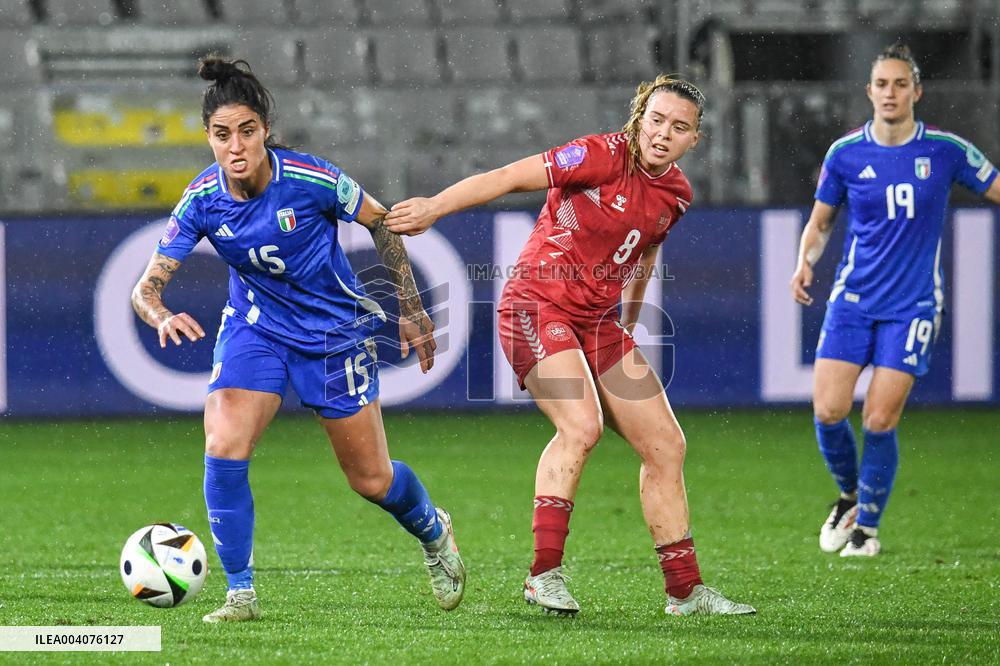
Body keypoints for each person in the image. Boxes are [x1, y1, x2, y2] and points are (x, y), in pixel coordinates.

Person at [385, 74, 755, 617]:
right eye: (656, 120)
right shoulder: (599, 155)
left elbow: (645, 251)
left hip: (599, 322)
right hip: (537, 305)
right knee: (582, 426)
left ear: (694, 139)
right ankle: (543, 575)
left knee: (666, 446)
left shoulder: (676, 194)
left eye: (679, 128)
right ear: (639, 117)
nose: (662, 134)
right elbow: (510, 176)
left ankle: (685, 591)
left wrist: (630, 318)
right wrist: (436, 207)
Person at [131, 56, 465, 622]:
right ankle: (240, 593)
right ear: (208, 137)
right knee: (223, 444)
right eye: (221, 135)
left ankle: (434, 529)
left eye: (246, 131)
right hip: (255, 328)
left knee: (371, 479)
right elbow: (145, 287)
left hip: (334, 335)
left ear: (265, 130)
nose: (235, 146)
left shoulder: (312, 179)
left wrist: (410, 309)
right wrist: (160, 313)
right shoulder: (202, 199)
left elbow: (380, 222)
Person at [790, 44, 1000, 557]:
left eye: (900, 84)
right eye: (882, 84)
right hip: (853, 301)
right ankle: (849, 495)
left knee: (880, 419)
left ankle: (867, 531)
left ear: (916, 92)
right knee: (828, 410)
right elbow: (821, 222)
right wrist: (805, 261)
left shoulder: (946, 151)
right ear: (869, 91)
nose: (890, 93)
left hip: (913, 307)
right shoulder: (845, 154)